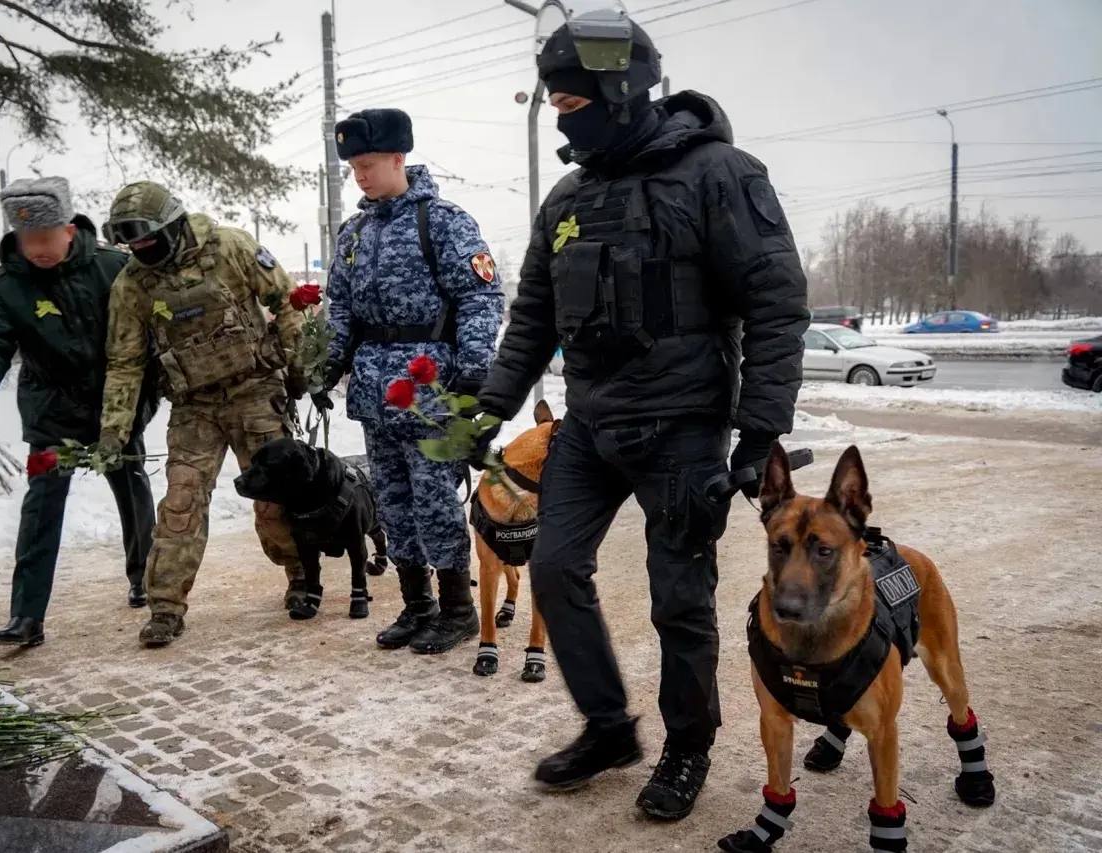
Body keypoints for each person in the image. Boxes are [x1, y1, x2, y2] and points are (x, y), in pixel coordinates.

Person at [472, 13, 808, 820]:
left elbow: (776, 302)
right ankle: (609, 726)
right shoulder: (568, 197)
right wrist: (488, 408)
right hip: (590, 424)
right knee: (554, 568)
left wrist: (759, 431)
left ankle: (688, 745)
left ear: (621, 92)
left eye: (570, 103)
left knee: (678, 598)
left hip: (682, 427)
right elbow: (532, 318)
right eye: (555, 104)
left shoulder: (719, 175)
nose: (562, 120)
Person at [323, 108, 503, 654]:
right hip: (375, 392)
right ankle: (416, 605)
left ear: (399, 158)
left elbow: (480, 297)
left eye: (369, 164)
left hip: (431, 390)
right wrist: (328, 361)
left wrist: (474, 369)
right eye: (354, 166)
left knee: (435, 500)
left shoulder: (444, 222)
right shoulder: (353, 234)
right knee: (392, 501)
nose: (360, 175)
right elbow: (340, 306)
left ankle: (457, 610)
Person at [97, 180, 308, 647]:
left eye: (148, 240)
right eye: (133, 244)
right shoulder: (132, 285)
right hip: (194, 407)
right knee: (181, 502)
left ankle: (301, 576)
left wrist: (300, 368)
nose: (141, 250)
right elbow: (125, 361)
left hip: (255, 392)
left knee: (277, 496)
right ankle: (165, 606)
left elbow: (288, 303)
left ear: (172, 226)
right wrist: (113, 430)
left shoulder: (231, 247)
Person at [0, 176, 158, 648]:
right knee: (41, 506)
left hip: (114, 406)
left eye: (45, 238)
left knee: (132, 489)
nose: (37, 250)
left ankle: (144, 577)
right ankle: (26, 616)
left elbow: (147, 330)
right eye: (28, 239)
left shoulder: (113, 267)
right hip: (52, 410)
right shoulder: (8, 286)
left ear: (69, 230)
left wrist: (145, 394)